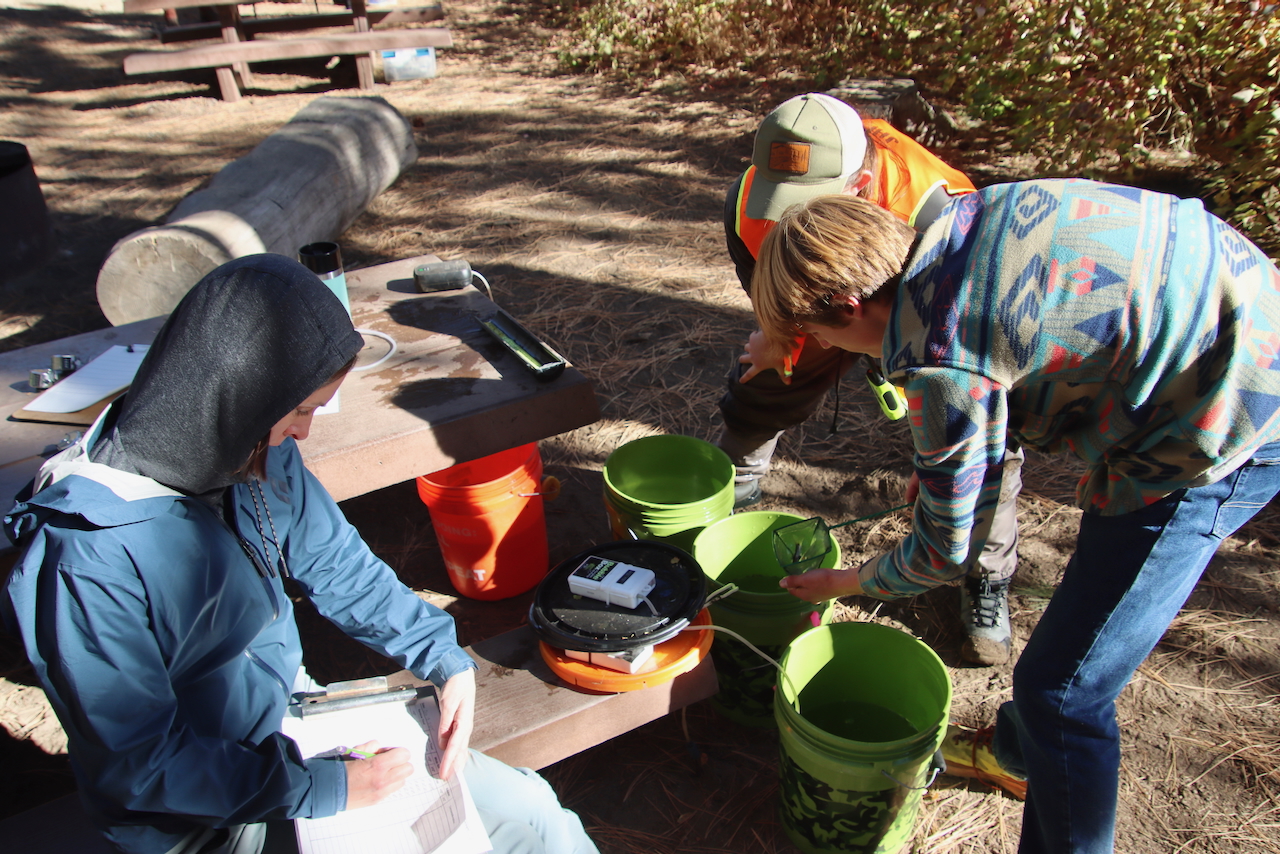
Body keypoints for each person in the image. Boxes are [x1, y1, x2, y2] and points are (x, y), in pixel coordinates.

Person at [1, 255, 600, 854]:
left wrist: (442, 655)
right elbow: (143, 767)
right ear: (238, 398)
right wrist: (328, 789)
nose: (305, 433)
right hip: (209, 815)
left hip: (295, 722)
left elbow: (338, 566)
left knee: (534, 812)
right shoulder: (87, 560)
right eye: (302, 411)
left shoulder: (244, 448)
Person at [748, 183, 1280, 853]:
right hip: (1247, 301)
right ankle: (1018, 754)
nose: (829, 348)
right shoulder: (962, 222)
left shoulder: (942, 356)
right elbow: (1027, 345)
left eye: (820, 334)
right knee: (1063, 669)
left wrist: (847, 582)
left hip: (1232, 413)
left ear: (850, 307)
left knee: (1062, 689)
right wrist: (956, 466)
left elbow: (943, 554)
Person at [717, 91, 1021, 665]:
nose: (783, 219)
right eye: (777, 200)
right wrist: (781, 338)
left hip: (934, 324)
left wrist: (942, 446)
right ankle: (728, 495)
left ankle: (987, 575)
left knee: (985, 450)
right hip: (827, 308)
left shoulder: (940, 212)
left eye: (808, 205)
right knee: (766, 380)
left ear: (860, 186)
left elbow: (975, 369)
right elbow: (770, 290)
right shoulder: (750, 199)